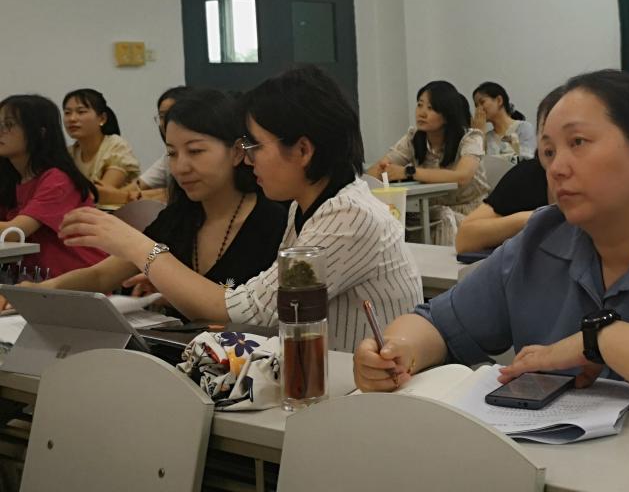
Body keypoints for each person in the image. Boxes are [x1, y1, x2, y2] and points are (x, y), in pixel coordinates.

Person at [355, 70, 629, 490]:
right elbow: (435, 322)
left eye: (578, 143)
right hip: (574, 477)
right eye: (548, 152)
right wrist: (396, 351)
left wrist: (599, 340)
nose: (557, 168)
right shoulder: (543, 238)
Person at [58, 66, 423, 351]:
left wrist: (136, 246)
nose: (248, 160)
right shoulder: (308, 207)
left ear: (302, 150)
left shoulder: (347, 215)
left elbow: (251, 312)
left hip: (361, 395)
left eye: (256, 147)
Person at [8, 91, 287, 311]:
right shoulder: (179, 218)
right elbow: (101, 276)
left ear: (237, 152)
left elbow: (237, 310)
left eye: (195, 151)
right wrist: (41, 290)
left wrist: (135, 245)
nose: (181, 167)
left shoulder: (274, 224)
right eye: (172, 154)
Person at [370, 81, 490, 245]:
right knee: (392, 220)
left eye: (431, 108)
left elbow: (462, 176)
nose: (422, 113)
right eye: (420, 105)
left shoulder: (470, 138)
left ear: (447, 114)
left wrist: (408, 172)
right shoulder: (413, 138)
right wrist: (379, 172)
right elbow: (379, 168)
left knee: (442, 220)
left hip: (471, 213)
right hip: (430, 212)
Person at [0, 95, 104, 277]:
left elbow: (13, 233)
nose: (0, 131)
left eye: (8, 124)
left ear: (40, 132)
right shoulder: (11, 179)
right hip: (30, 281)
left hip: (76, 281)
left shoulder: (58, 180)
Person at [455, 86, 565, 254]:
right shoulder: (529, 174)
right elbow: (465, 238)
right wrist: (540, 217)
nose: (479, 110)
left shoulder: (522, 128)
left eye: (577, 142)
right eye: (549, 149)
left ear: (499, 100)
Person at [63, 88, 140, 205]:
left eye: (81, 112)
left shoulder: (116, 147)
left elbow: (100, 194)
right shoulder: (69, 154)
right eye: (67, 113)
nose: (72, 119)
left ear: (102, 118)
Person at [136, 85, 194, 198]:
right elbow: (140, 185)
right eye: (162, 116)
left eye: (172, 115)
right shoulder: (168, 155)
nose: (166, 122)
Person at [471, 82, 536, 158]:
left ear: (499, 100)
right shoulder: (487, 138)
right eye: (476, 106)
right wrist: (479, 134)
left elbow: (527, 158)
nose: (479, 109)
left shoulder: (524, 128)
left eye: (482, 102)